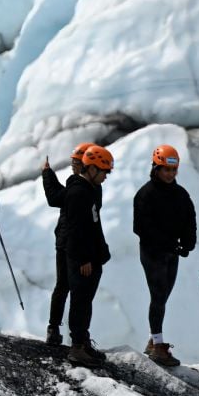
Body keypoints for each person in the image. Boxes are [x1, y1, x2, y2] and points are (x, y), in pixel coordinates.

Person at [132, 144, 197, 366]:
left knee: (163, 296)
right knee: (159, 295)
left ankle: (153, 341)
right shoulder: (146, 194)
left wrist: (188, 243)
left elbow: (190, 219)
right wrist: (171, 243)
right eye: (166, 170)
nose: (170, 174)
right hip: (153, 252)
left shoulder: (180, 194)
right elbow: (141, 227)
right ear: (156, 168)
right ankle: (158, 345)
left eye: (173, 170)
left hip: (171, 252)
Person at [64, 145, 114, 367]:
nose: (105, 177)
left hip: (91, 257)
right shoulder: (78, 193)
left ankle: (82, 342)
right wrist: (84, 258)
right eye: (104, 172)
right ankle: (76, 347)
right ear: (92, 169)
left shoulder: (88, 190)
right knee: (80, 300)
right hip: (82, 259)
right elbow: (75, 229)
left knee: (85, 301)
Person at [41, 142, 93, 346]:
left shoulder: (80, 186)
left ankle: (54, 329)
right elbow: (59, 198)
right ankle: (78, 338)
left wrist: (47, 175)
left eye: (76, 161)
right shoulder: (84, 186)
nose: (72, 164)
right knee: (76, 289)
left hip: (66, 242)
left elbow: (55, 198)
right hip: (72, 245)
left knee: (63, 286)